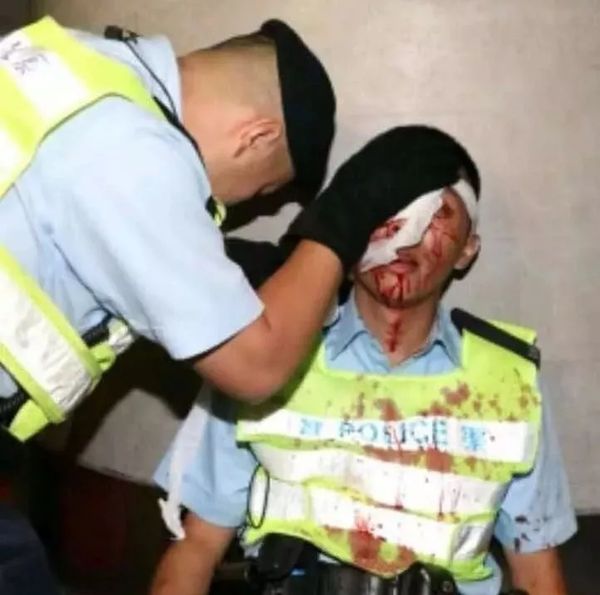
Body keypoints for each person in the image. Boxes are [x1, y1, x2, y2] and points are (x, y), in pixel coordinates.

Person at [0, 15, 405, 595]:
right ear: (257, 137)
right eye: (262, 190)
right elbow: (256, 367)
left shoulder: (69, 68)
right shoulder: (138, 150)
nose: (238, 206)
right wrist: (339, 225)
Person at [152, 126, 577, 595]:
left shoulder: (508, 382)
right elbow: (197, 548)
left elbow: (538, 572)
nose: (405, 238)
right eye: (387, 214)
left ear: (467, 250)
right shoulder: (263, 359)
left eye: (434, 215)